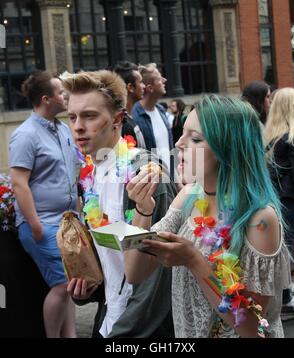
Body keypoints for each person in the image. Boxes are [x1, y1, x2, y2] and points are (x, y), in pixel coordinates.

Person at [125, 94, 291, 338]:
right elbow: (134, 273)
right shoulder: (188, 197)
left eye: (195, 138)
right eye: (182, 133)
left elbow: (252, 327)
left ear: (229, 149)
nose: (179, 144)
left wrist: (194, 260)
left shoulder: (261, 220)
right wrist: (143, 210)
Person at [60, 70, 177, 338]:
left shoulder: (144, 174)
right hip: (109, 319)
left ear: (117, 119)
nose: (78, 126)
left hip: (143, 330)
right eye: (72, 117)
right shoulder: (89, 175)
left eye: (89, 116)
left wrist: (122, 335)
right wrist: (90, 286)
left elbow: (156, 275)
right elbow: (114, 259)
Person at [9, 70, 78, 338]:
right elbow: (19, 183)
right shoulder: (25, 135)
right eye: (62, 92)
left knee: (72, 285)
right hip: (44, 225)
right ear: (46, 99)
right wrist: (36, 225)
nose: (67, 97)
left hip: (69, 223)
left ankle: (70, 336)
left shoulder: (62, 129)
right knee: (63, 285)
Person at [265, 88, 294, 306]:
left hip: (274, 196)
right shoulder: (293, 137)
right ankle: (285, 296)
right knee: (287, 245)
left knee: (279, 245)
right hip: (290, 197)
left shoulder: (270, 135)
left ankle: (284, 291)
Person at [132, 63, 174, 175]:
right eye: (160, 79)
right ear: (150, 88)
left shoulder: (161, 111)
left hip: (170, 181)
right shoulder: (135, 115)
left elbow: (169, 149)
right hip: (153, 184)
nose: (165, 80)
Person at [113, 61, 146, 148]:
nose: (144, 86)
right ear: (130, 87)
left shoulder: (128, 120)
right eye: (141, 82)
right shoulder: (123, 125)